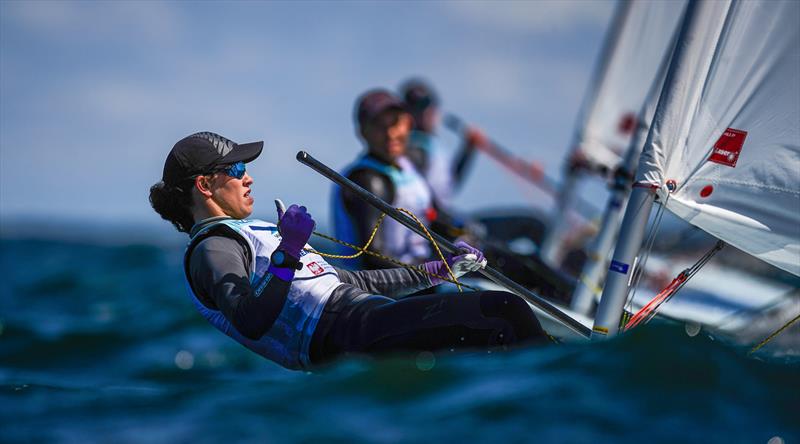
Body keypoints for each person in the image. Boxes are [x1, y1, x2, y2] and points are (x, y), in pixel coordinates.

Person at [149, 131, 549, 371]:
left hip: (363, 318)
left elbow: (350, 280)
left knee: (496, 325)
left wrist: (440, 270)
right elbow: (250, 318)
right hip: (344, 335)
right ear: (204, 186)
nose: (248, 177)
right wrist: (288, 249)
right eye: (235, 171)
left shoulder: (243, 231)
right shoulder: (213, 247)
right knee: (502, 312)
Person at [332, 89, 438, 270]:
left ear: (408, 123)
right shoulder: (366, 179)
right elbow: (372, 259)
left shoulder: (408, 165)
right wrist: (433, 271)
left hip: (418, 281)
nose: (390, 134)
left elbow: (434, 217)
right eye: (379, 126)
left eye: (395, 123)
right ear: (362, 132)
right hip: (377, 292)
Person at [400, 78, 486, 206]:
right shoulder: (413, 147)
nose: (426, 113)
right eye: (418, 108)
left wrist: (468, 150)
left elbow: (448, 185)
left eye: (430, 106)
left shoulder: (434, 146)